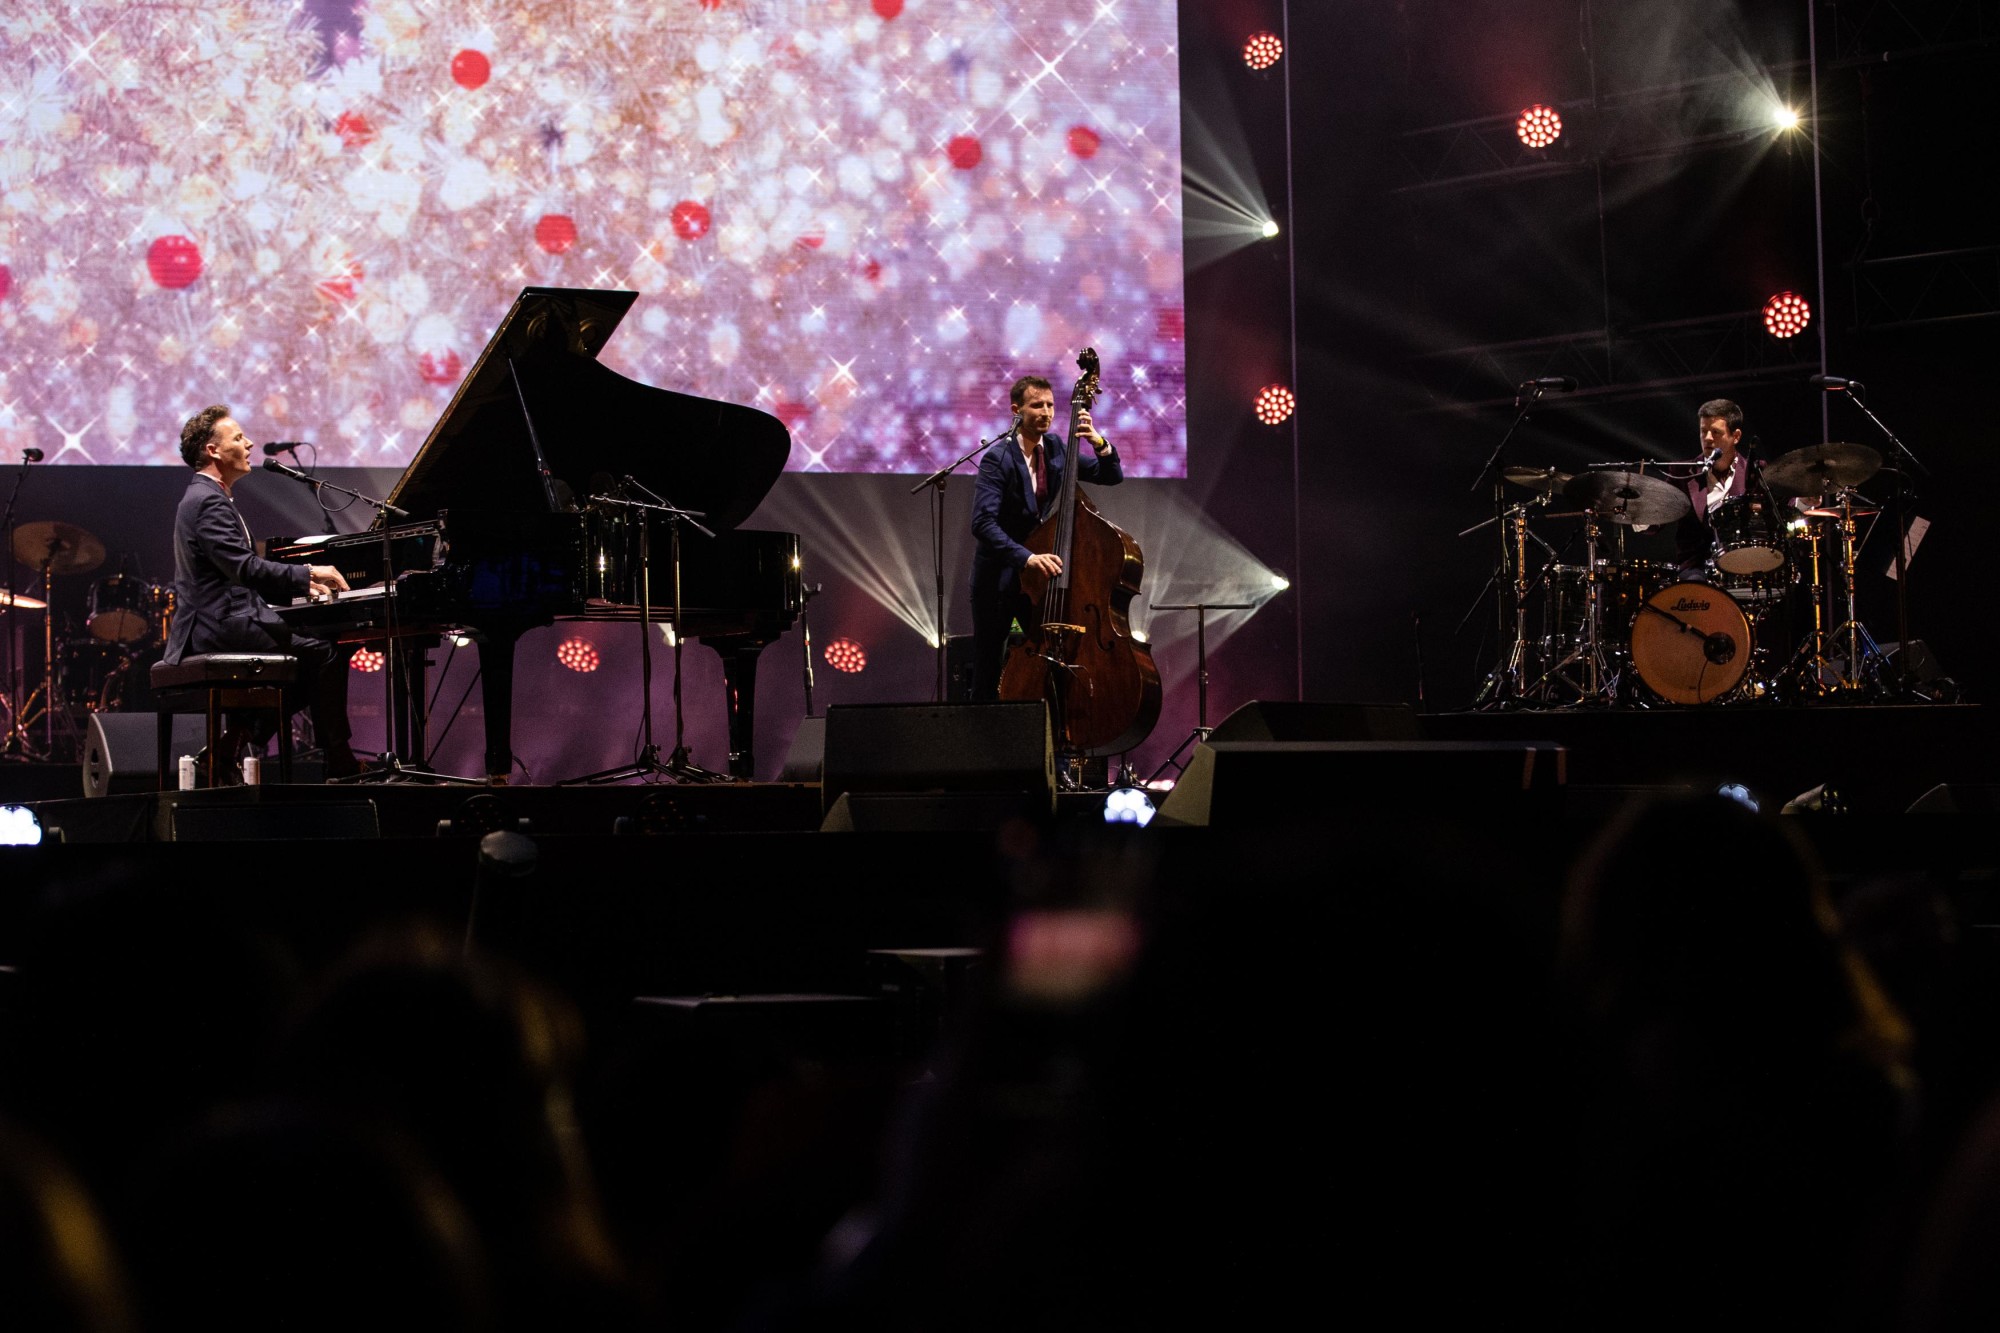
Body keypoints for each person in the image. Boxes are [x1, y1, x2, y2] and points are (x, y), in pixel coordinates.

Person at [165, 405, 358, 777]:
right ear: (213, 450)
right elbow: (243, 568)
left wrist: (299, 586)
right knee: (325, 657)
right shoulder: (207, 501)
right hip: (216, 627)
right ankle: (339, 761)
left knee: (309, 661)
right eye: (238, 437)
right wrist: (306, 573)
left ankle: (232, 742)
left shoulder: (209, 496)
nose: (250, 442)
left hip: (223, 619)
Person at [968, 375, 1122, 702]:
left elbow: (1110, 476)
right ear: (1016, 410)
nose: (1047, 412)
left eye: (1051, 404)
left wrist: (1098, 442)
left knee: (1051, 654)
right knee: (988, 666)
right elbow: (982, 523)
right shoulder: (998, 459)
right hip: (998, 577)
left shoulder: (1055, 449)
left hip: (1035, 581)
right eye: (1037, 405)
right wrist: (1027, 557)